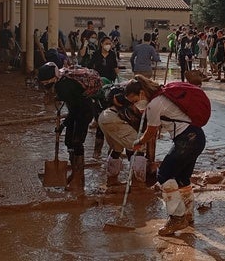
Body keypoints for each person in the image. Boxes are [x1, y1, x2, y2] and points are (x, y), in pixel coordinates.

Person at [124, 75, 206, 236]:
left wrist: (139, 141)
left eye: (134, 100)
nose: (135, 105)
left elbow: (151, 131)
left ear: (141, 93)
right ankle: (187, 215)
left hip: (186, 140)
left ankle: (177, 218)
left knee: (164, 175)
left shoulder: (154, 104)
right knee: (182, 178)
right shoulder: (161, 97)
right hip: (197, 137)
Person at [38, 62, 93, 191]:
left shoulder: (64, 86)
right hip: (76, 111)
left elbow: (75, 111)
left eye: (46, 82)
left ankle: (79, 179)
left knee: (77, 142)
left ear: (53, 78)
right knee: (69, 142)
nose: (45, 85)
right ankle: (74, 174)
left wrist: (63, 124)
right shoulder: (61, 82)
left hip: (84, 113)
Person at [97, 84, 146, 187]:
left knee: (117, 149)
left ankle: (111, 181)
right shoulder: (133, 99)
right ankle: (138, 183)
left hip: (104, 117)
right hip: (113, 119)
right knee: (139, 146)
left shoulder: (123, 93)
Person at [91, 36, 120, 158]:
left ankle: (112, 150)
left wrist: (119, 80)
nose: (109, 45)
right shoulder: (96, 54)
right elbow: (91, 69)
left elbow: (115, 68)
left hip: (110, 86)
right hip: (98, 87)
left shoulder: (112, 54)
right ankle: (97, 151)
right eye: (107, 43)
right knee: (99, 118)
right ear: (101, 44)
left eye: (110, 43)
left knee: (111, 117)